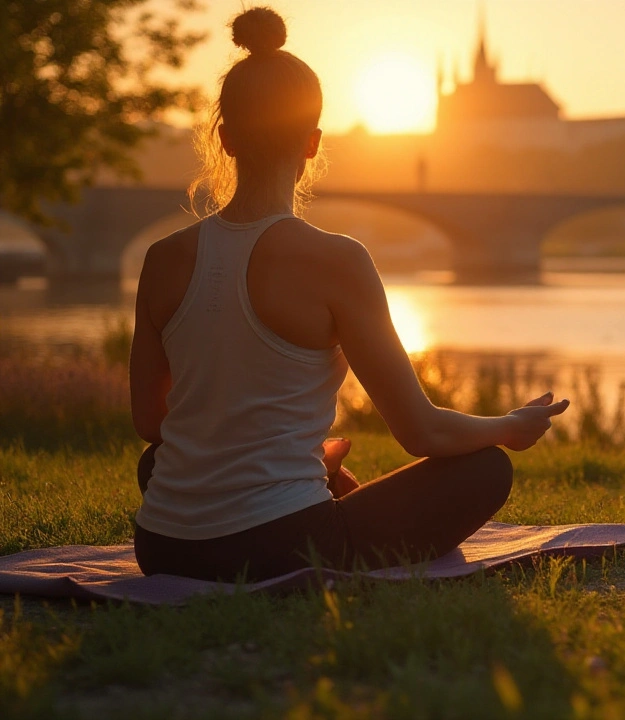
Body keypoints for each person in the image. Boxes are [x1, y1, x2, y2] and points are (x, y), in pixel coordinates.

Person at [129, 7, 569, 582]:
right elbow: (422, 432)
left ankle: (289, 491)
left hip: (163, 547)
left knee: (162, 463)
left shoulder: (162, 259)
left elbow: (152, 423)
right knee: (484, 471)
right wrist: (507, 427)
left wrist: (299, 460)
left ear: (225, 138)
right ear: (313, 143)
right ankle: (307, 502)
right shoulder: (338, 261)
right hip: (282, 548)